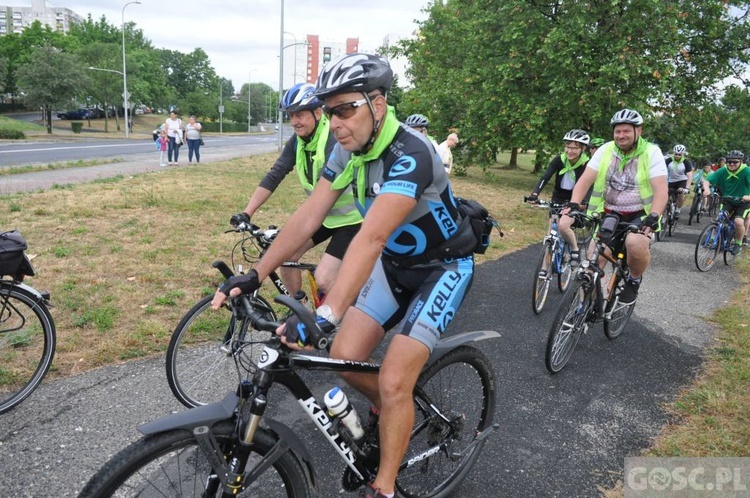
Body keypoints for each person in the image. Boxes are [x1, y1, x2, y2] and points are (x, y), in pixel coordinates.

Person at [212, 53, 473, 498]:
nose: (335, 123)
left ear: (378, 104)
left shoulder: (412, 153)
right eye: (329, 112)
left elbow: (369, 238)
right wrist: (256, 274)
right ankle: (392, 410)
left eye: (345, 109)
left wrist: (328, 311)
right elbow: (308, 217)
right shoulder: (347, 148)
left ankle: (386, 486)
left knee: (393, 381)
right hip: (395, 266)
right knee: (347, 361)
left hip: (442, 267)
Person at [229, 82, 362, 296]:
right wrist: (247, 212)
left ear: (318, 113)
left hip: (352, 220)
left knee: (325, 279)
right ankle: (297, 309)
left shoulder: (333, 140)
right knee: (286, 257)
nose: (294, 122)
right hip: (325, 217)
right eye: (291, 116)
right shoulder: (298, 141)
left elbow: (321, 193)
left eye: (300, 115)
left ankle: (346, 318)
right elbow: (275, 174)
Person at [563, 108, 668, 305]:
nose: (621, 135)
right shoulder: (605, 150)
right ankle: (583, 310)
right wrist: (574, 203)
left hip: (640, 214)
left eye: (626, 131)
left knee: (634, 244)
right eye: (617, 131)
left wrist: (653, 216)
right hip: (610, 213)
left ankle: (634, 280)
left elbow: (661, 190)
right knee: (593, 263)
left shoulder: (651, 152)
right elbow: (585, 181)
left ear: (639, 131)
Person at [526, 129, 591, 264]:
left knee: (563, 226)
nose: (570, 151)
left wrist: (584, 201)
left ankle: (574, 250)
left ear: (583, 149)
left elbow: (589, 184)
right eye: (568, 147)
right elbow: (545, 177)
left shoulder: (587, 164)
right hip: (558, 198)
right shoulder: (559, 160)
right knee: (550, 234)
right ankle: (544, 272)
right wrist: (534, 194)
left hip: (576, 200)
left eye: (574, 148)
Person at [702, 150, 750, 255]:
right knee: (720, 217)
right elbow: (707, 181)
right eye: (729, 162)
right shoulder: (723, 170)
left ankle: (738, 243)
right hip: (728, 200)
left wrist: (748, 197)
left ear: (741, 162)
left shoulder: (747, 171)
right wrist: (706, 190)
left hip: (743, 202)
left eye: (735, 162)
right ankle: (713, 238)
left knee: (738, 222)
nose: (732, 164)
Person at [665, 144, 694, 219]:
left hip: (682, 181)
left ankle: (678, 210)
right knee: (665, 196)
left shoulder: (686, 162)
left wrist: (687, 188)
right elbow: (662, 170)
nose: (677, 156)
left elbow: (689, 175)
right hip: (671, 181)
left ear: (683, 154)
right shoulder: (669, 160)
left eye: (679, 154)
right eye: (676, 154)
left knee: (680, 193)